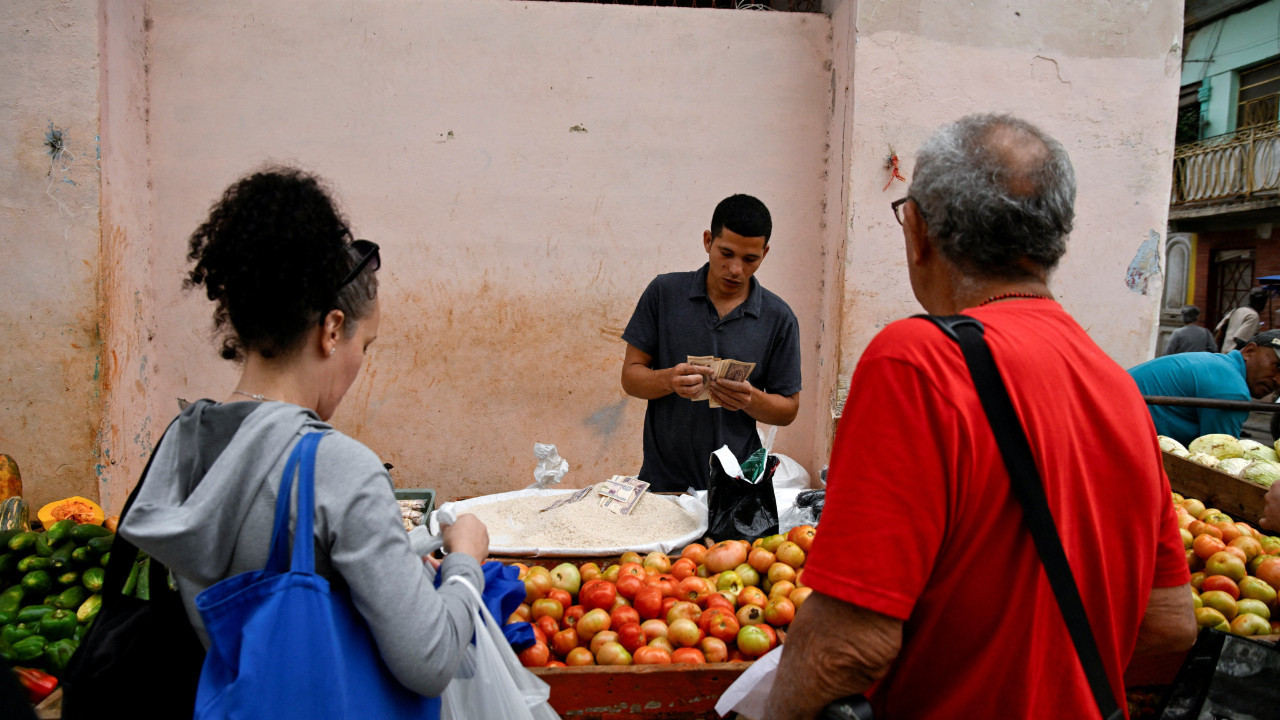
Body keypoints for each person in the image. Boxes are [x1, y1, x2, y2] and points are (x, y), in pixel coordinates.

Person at [765, 114, 1195, 719]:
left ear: (918, 232)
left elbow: (848, 647)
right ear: (1055, 239)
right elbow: (1170, 622)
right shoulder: (1117, 388)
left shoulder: (919, 361)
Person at [118, 168, 490, 701]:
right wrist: (463, 562)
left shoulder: (184, 441)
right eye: (368, 344)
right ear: (333, 329)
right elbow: (429, 661)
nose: (361, 363)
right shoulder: (335, 467)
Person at [620, 194, 802, 492]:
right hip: (665, 483)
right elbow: (631, 378)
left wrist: (750, 400)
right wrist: (669, 380)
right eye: (726, 253)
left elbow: (788, 410)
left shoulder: (778, 317)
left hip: (738, 488)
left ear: (765, 253)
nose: (735, 269)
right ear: (707, 241)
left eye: (750, 259)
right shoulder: (664, 294)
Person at [1128, 330, 1280, 445]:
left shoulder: (1218, 365)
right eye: (1278, 366)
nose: (1278, 381)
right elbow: (1219, 459)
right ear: (1249, 351)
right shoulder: (1232, 391)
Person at [1214, 287, 1268, 352]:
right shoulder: (1253, 316)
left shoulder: (1236, 310)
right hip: (1234, 356)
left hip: (1224, 353)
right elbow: (1241, 341)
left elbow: (1220, 330)